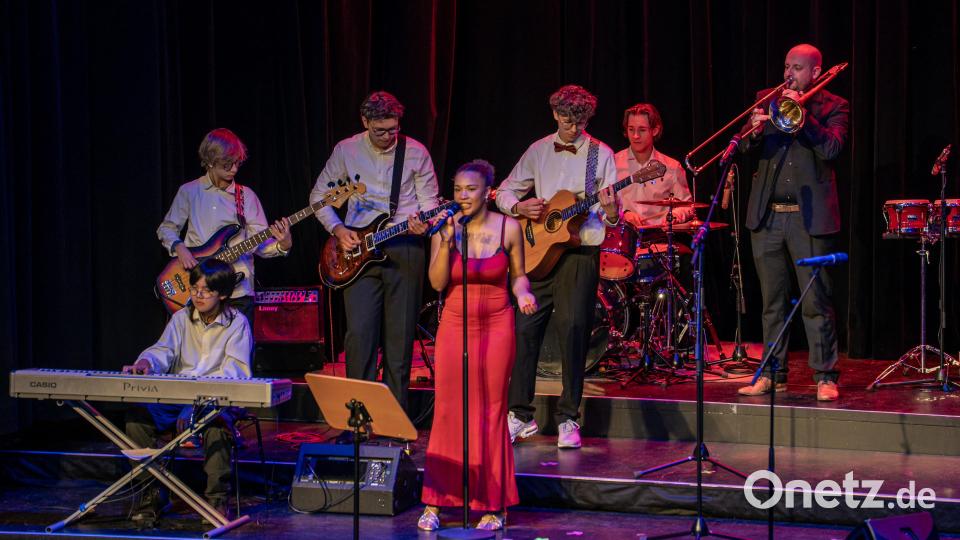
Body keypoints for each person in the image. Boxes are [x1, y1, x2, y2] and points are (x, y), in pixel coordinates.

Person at [495, 84, 619, 449]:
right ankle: (519, 415)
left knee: (574, 329)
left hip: (579, 255)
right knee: (524, 330)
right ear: (554, 115)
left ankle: (568, 419)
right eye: (566, 119)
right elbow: (503, 191)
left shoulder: (602, 155)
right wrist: (519, 208)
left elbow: (613, 216)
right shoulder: (538, 150)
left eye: (579, 120)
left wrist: (611, 211)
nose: (572, 126)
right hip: (537, 253)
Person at [419, 160, 537, 531]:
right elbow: (437, 283)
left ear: (488, 192)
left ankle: (493, 502)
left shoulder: (509, 227)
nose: (463, 196)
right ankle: (436, 501)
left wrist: (524, 296)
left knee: (490, 411)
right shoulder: (445, 228)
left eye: (470, 190)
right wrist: (446, 242)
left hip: (497, 324)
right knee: (450, 410)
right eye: (457, 190)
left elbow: (518, 277)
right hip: (455, 325)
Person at [310, 91, 439, 414]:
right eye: (380, 130)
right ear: (365, 122)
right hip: (358, 252)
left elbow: (431, 206)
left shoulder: (416, 152)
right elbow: (319, 197)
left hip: (405, 246)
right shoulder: (347, 150)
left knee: (400, 337)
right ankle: (358, 416)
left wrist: (427, 223)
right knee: (360, 336)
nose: (387, 137)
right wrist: (339, 231)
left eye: (393, 129)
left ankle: (394, 417)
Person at [736, 43, 848, 401]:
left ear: (815, 72)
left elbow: (832, 149)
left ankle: (825, 376)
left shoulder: (834, 106)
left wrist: (803, 117)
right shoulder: (765, 99)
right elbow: (740, 148)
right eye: (787, 66)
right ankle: (772, 373)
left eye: (797, 68)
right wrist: (753, 132)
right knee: (772, 302)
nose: (789, 74)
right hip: (768, 217)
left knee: (816, 301)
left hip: (808, 219)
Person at [123, 258, 253, 523]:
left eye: (206, 290)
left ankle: (217, 499)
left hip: (216, 398)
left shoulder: (237, 324)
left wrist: (195, 403)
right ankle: (151, 493)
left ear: (224, 294)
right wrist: (147, 361)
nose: (198, 295)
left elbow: (234, 372)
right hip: (176, 396)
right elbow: (164, 350)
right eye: (195, 288)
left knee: (217, 423)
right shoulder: (182, 317)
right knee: (138, 417)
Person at [158, 128, 293, 324]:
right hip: (198, 290)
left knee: (238, 353)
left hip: (237, 293)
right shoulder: (189, 191)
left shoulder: (246, 196)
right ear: (211, 161)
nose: (234, 169)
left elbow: (259, 246)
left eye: (237, 163)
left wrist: (283, 245)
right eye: (227, 164)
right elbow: (166, 228)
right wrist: (179, 248)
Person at [615, 103, 695, 228]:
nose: (635, 136)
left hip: (658, 240)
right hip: (622, 241)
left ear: (655, 130)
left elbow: (687, 206)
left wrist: (673, 216)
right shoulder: (613, 163)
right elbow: (601, 206)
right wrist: (623, 214)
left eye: (642, 130)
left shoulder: (672, 167)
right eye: (631, 129)